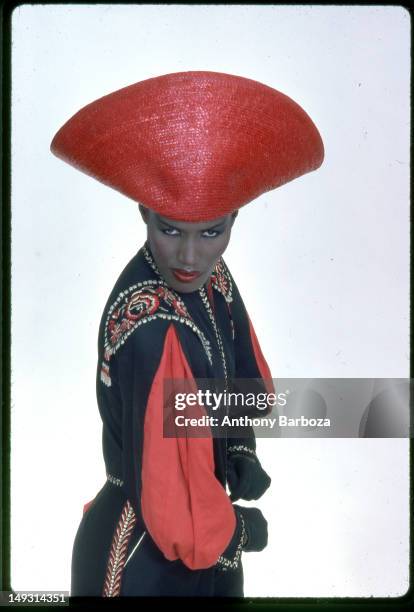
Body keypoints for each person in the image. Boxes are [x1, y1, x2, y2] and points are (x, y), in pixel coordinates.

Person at [50, 70, 324, 597]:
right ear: (143, 211)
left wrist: (238, 446)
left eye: (212, 231)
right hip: (141, 562)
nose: (190, 256)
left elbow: (241, 381)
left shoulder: (210, 277)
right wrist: (241, 529)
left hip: (207, 539)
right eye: (170, 229)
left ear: (234, 219)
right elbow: (173, 509)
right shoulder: (152, 329)